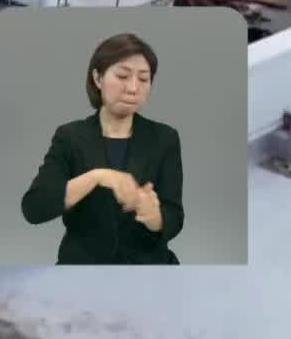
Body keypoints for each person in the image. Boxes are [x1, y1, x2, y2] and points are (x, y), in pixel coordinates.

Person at [19, 32, 184, 264]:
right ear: (98, 78)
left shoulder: (165, 138)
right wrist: (97, 177)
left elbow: (174, 217)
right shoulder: (70, 137)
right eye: (123, 76)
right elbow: (34, 208)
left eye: (144, 79)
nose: (133, 88)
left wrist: (154, 216)